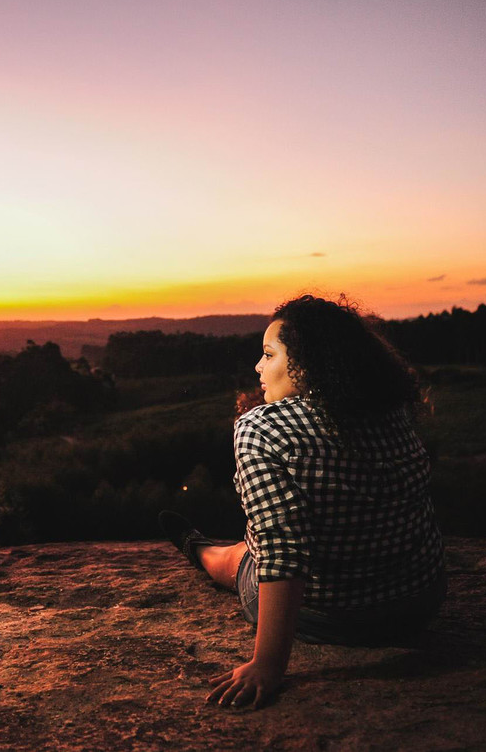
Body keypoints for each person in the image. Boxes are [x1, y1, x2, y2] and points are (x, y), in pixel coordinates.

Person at [159, 294, 447, 709]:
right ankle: (207, 547)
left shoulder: (261, 428)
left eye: (268, 354)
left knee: (244, 556)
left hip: (330, 617)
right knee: (255, 546)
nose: (258, 367)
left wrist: (268, 664)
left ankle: (199, 549)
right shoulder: (391, 408)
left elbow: (284, 553)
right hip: (418, 602)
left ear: (307, 362)